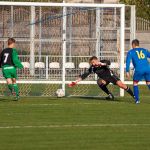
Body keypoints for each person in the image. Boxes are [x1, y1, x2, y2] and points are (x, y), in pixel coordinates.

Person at [68, 56, 135, 100]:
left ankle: (134, 96)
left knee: (121, 85)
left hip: (111, 76)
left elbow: (108, 63)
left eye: (93, 62)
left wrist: (102, 64)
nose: (93, 64)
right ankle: (110, 95)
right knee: (99, 81)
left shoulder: (102, 62)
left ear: (96, 60)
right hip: (104, 79)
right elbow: (85, 75)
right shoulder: (92, 68)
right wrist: (75, 81)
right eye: (92, 63)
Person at [126, 39, 150, 104]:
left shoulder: (131, 52)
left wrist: (127, 71)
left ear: (133, 44)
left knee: (135, 83)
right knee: (148, 83)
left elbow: (128, 62)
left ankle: (137, 100)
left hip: (139, 69)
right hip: (148, 69)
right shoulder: (144, 50)